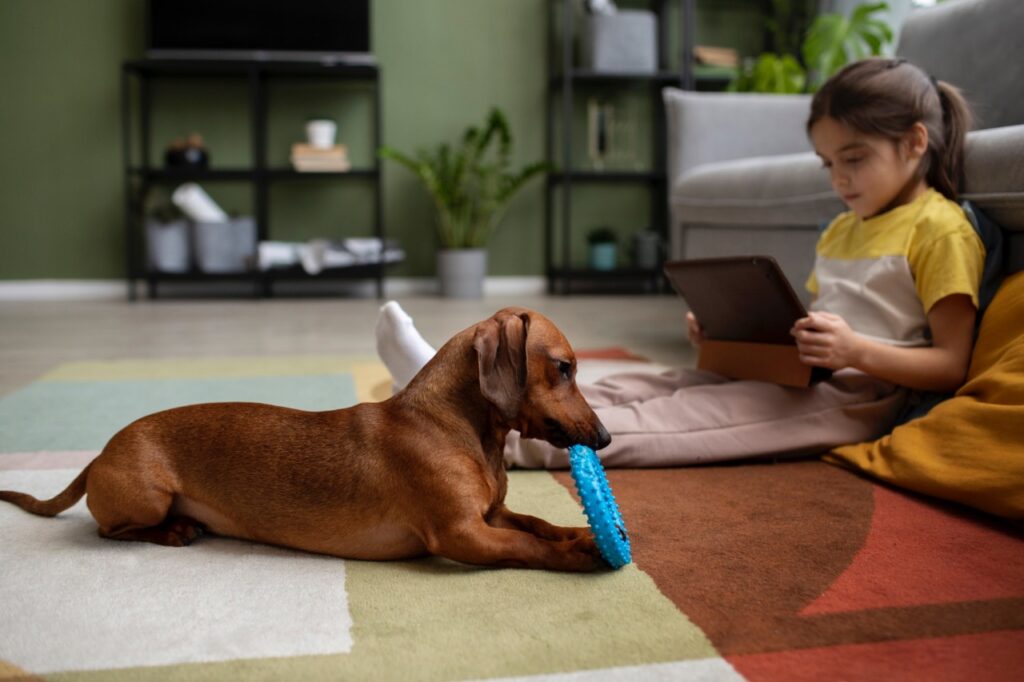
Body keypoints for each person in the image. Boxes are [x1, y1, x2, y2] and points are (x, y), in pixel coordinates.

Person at [376, 57, 983, 469]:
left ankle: (485, 445)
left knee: (675, 419)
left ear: (915, 143)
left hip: (859, 395)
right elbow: (814, 321)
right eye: (829, 164)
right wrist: (730, 331)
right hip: (802, 373)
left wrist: (855, 351)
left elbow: (953, 365)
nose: (839, 178)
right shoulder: (844, 228)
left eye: (854, 158)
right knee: (640, 384)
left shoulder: (940, 230)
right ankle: (458, 393)